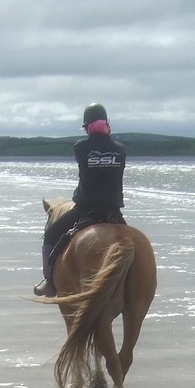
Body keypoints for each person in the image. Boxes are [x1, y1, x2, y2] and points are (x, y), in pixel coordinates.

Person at [33, 102, 127, 297]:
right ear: (107, 123)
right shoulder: (120, 149)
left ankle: (49, 282)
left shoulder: (81, 147)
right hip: (113, 211)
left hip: (86, 209)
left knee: (50, 235)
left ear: (87, 126)